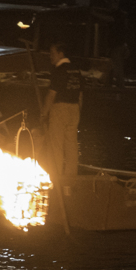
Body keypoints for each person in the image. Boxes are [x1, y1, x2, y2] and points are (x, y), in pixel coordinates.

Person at [42, 43, 82, 178]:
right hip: (75, 108)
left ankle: (55, 179)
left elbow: (52, 94)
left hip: (60, 109)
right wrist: (78, 110)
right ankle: (70, 178)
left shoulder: (58, 71)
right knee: (71, 145)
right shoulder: (76, 70)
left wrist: (44, 113)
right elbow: (81, 94)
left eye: (52, 54)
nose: (50, 57)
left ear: (61, 54)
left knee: (56, 146)